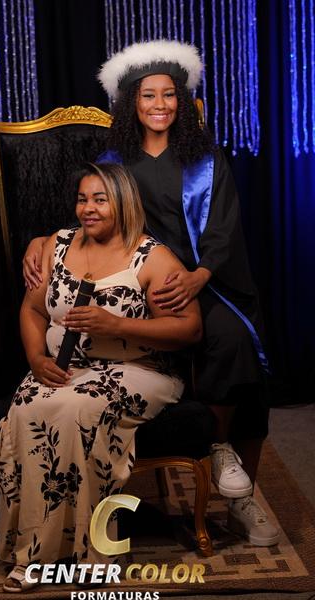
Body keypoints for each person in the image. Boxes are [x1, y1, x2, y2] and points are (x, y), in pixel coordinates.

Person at [23, 40, 280, 547]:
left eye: (169, 95)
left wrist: (199, 277)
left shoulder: (206, 159)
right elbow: (92, 214)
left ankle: (232, 477)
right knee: (170, 331)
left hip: (204, 279)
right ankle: (213, 447)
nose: (160, 105)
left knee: (233, 339)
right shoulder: (114, 161)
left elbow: (224, 230)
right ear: (131, 104)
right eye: (148, 96)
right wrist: (40, 239)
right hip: (136, 282)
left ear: (182, 101)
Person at [0, 162, 202, 592]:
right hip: (64, 365)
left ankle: (93, 554)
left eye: (100, 200)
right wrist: (35, 358)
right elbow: (33, 310)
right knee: (27, 408)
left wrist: (117, 325)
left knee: (76, 409)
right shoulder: (56, 246)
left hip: (138, 371)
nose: (88, 209)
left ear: (123, 203)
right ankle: (32, 553)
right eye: (82, 199)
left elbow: (189, 329)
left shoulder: (152, 257)